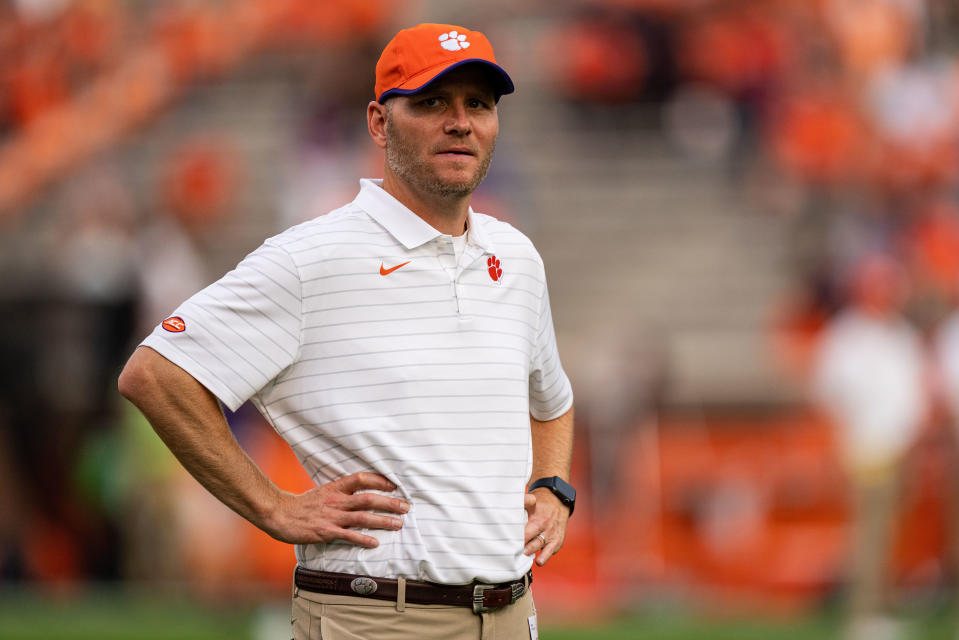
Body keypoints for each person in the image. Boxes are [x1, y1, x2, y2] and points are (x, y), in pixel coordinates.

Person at [118, 23, 575, 640]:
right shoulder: (313, 259)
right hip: (376, 617)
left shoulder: (515, 256)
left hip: (509, 615)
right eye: (433, 102)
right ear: (379, 123)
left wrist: (552, 486)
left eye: (479, 104)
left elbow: (552, 399)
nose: (461, 121)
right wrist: (272, 506)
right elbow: (155, 373)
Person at [811, 253, 927, 640]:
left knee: (890, 533)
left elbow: (913, 390)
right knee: (870, 534)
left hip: (903, 445)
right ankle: (863, 615)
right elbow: (834, 393)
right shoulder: (848, 336)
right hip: (869, 446)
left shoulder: (901, 333)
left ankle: (883, 608)